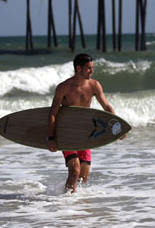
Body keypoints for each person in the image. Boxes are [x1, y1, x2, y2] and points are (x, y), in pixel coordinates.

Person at [47, 53, 119, 193]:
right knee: (74, 169)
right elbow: (53, 113)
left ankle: (70, 198)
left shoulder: (94, 85)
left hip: (85, 133)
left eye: (92, 68)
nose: (92, 71)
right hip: (67, 132)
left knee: (83, 176)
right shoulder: (64, 87)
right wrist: (50, 137)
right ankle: (66, 203)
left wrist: (118, 127)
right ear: (78, 68)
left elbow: (107, 107)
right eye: (88, 68)